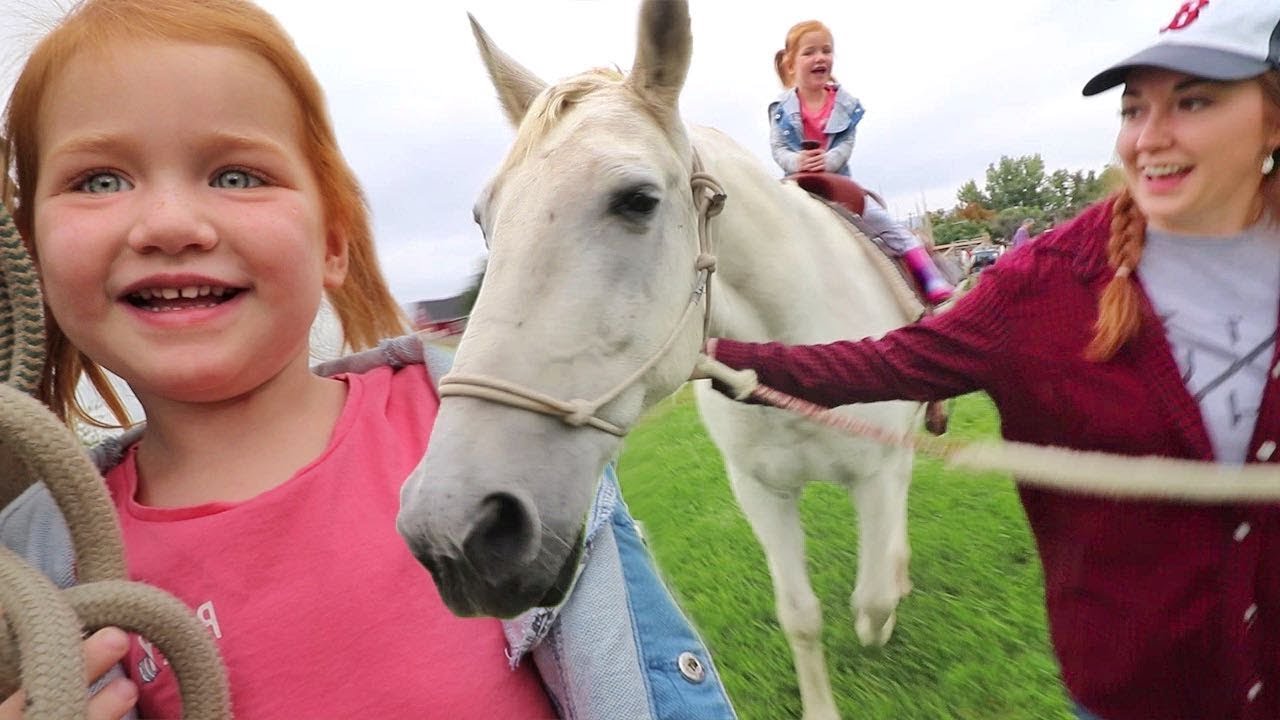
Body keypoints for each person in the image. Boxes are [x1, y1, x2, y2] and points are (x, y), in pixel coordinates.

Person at [0, 1, 737, 718]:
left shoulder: (464, 423)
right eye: (98, 181)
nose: (169, 225)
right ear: (31, 255)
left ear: (333, 243)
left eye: (236, 176)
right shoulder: (31, 565)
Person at [709, 2, 1280, 719]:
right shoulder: (1042, 286)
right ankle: (940, 313)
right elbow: (889, 364)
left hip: (844, 189)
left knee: (891, 235)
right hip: (1134, 690)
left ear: (1273, 119)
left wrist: (834, 165)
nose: (1148, 137)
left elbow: (846, 142)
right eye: (1133, 108)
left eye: (1193, 102)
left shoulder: (842, 102)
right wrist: (721, 355)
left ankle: (928, 286)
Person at [770, 21, 953, 305]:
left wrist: (827, 160)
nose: (820, 58)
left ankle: (929, 278)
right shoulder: (781, 110)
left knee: (889, 227)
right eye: (809, 52)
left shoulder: (846, 106)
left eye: (826, 51)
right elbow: (778, 148)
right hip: (797, 185)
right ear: (791, 64)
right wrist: (798, 161)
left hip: (837, 184)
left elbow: (846, 145)